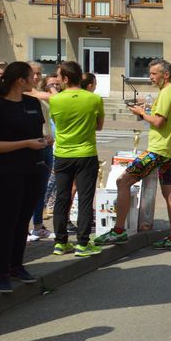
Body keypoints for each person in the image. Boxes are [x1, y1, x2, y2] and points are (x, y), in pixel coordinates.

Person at [95, 59, 171, 250]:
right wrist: (146, 109)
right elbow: (166, 117)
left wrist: (141, 113)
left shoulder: (166, 93)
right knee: (170, 194)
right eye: (150, 73)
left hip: (158, 150)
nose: (150, 77)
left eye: (154, 74)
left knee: (122, 181)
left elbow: (159, 122)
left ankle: (119, 231)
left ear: (165, 75)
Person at [0, 61, 50, 293]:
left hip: (34, 170)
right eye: (32, 76)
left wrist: (44, 140)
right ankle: (2, 273)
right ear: (20, 80)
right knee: (8, 221)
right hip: (7, 172)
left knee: (23, 221)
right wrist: (26, 144)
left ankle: (17, 266)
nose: (36, 79)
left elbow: (37, 133)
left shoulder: (32, 103)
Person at [49, 61, 105, 257]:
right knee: (85, 199)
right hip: (86, 154)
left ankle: (60, 243)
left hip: (63, 154)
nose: (57, 80)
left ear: (65, 78)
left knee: (62, 198)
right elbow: (99, 126)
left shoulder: (55, 100)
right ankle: (82, 243)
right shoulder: (94, 98)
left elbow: (56, 123)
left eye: (59, 77)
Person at [26, 66, 60, 240]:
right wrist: (53, 87)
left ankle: (38, 226)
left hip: (46, 144)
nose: (36, 76)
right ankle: (23, 227)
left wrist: (50, 136)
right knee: (27, 189)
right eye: (33, 73)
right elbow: (56, 97)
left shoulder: (40, 94)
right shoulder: (26, 94)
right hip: (31, 145)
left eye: (39, 73)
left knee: (41, 187)